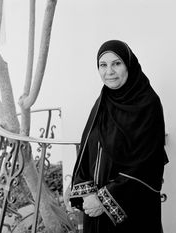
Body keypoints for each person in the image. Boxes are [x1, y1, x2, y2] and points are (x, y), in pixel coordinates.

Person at [69, 39, 168, 233]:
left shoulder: (148, 105)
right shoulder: (103, 101)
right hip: (95, 212)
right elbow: (88, 150)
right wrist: (86, 193)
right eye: (103, 65)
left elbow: (146, 164)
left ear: (129, 65)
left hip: (131, 210)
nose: (109, 71)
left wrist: (103, 200)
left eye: (117, 63)